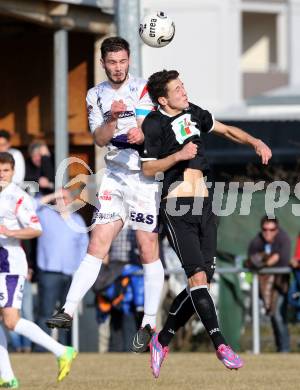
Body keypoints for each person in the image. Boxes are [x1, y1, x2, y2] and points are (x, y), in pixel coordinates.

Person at [139, 69, 272, 377]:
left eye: (183, 86)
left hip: (205, 206)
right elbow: (148, 170)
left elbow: (226, 130)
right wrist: (178, 156)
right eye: (177, 89)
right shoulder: (154, 124)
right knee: (198, 279)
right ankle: (221, 344)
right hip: (176, 208)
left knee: (201, 284)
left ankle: (163, 339)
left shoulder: (194, 112)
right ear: (162, 99)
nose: (184, 91)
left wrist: (254, 141)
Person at [46, 37, 164, 353]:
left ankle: (148, 323)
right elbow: (99, 139)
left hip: (143, 178)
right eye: (112, 62)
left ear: (129, 60)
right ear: (103, 63)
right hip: (113, 177)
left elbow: (157, 127)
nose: (117, 67)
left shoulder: (144, 89)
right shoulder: (95, 95)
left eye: (122, 61)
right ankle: (68, 310)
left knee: (146, 245)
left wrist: (144, 132)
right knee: (97, 242)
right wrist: (112, 118)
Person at [0, 152, 76, 388]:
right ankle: (7, 376)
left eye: (5, 171)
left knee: (11, 321)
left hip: (10, 266)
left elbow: (36, 229)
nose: (1, 175)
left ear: (13, 173)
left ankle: (62, 350)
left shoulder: (17, 197)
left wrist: (10, 232)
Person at [35, 189, 88, 348]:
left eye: (64, 198)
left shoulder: (78, 221)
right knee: (45, 312)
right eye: (58, 199)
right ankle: (41, 349)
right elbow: (30, 206)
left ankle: (66, 349)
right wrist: (53, 195)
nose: (61, 202)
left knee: (67, 314)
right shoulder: (45, 215)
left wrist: (80, 272)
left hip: (71, 275)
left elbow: (83, 247)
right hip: (49, 272)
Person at [248, 216, 291, 352]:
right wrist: (265, 260)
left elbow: (280, 260)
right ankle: (280, 348)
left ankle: (284, 349)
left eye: (272, 229)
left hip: (279, 284)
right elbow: (250, 260)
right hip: (262, 285)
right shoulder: (257, 240)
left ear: (276, 230)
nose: (268, 232)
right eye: (265, 229)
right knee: (272, 315)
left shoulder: (283, 239)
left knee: (278, 315)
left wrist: (263, 262)